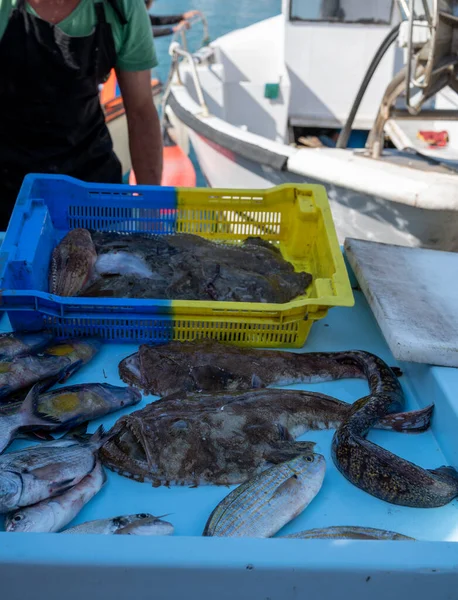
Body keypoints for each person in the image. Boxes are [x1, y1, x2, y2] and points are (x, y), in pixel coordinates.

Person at [0, 0, 163, 229]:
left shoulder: (122, 8)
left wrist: (151, 211)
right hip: (9, 189)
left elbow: (141, 111)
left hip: (94, 186)